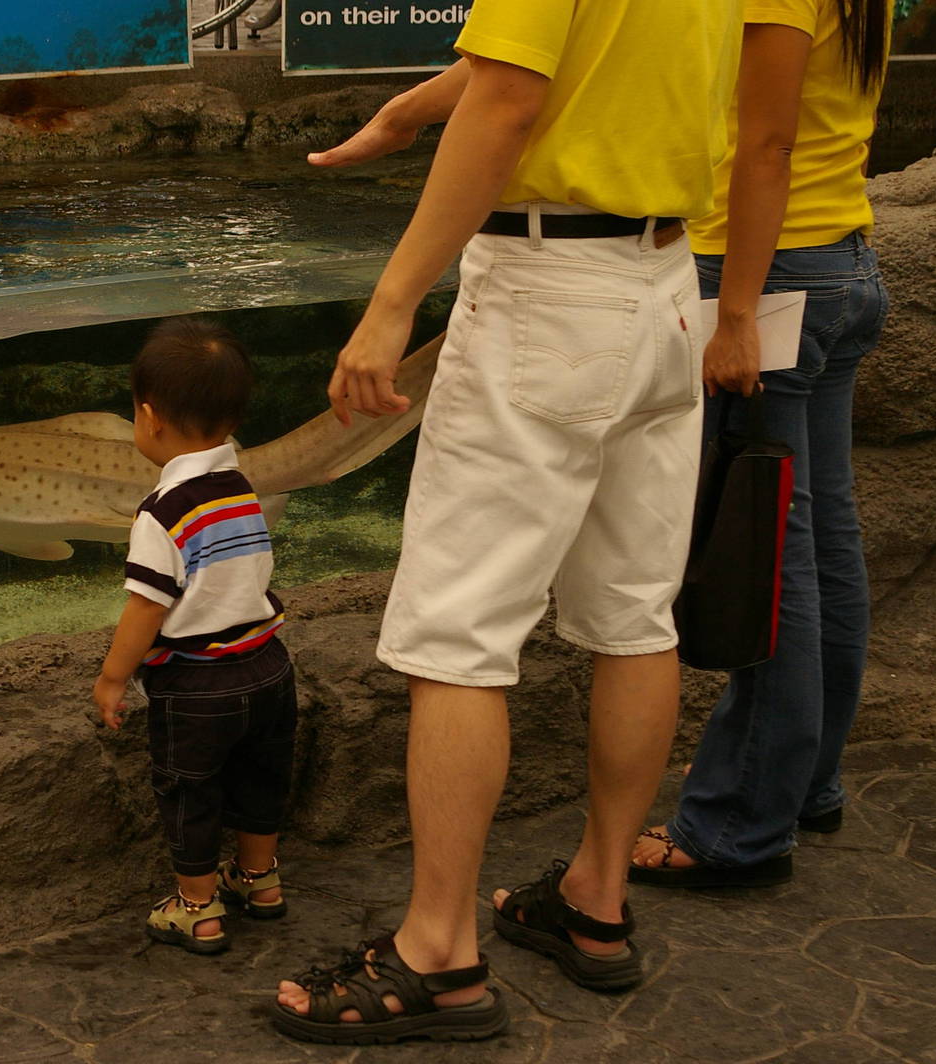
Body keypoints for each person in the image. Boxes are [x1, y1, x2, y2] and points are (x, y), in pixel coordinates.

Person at [270, 0, 741, 1045]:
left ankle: (437, 950)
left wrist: (392, 302)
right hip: (666, 286)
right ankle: (596, 900)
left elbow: (512, 99)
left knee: (457, 633)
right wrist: (416, 107)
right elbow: (575, 61)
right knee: (637, 616)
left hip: (547, 291)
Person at [629, 0, 893, 888]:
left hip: (771, 277)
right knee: (821, 542)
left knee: (769, 552)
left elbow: (769, 144)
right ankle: (802, 779)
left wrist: (737, 311)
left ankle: (739, 825)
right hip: (838, 259)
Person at [92, 316, 298, 955]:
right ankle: (260, 883)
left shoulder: (161, 511)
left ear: (149, 417)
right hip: (269, 668)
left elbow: (145, 608)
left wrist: (112, 677)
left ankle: (198, 909)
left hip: (197, 686)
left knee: (191, 793)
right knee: (262, 780)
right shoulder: (241, 489)